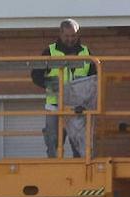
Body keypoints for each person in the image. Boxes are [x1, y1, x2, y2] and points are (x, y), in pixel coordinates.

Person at [31, 19, 96, 158]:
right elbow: (36, 75)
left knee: (79, 146)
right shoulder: (49, 51)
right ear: (60, 34)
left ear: (78, 35)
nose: (70, 39)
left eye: (73, 36)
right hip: (55, 105)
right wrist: (52, 86)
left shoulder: (86, 52)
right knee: (53, 144)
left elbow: (93, 80)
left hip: (77, 107)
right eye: (67, 36)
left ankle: (80, 174)